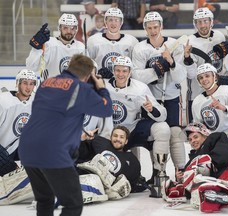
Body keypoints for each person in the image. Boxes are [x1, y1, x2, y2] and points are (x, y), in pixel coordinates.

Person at [18, 54, 113, 216]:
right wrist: (101, 87)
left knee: (45, 200)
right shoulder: (80, 88)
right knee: (73, 204)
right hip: (52, 151)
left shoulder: (46, 83)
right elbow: (106, 109)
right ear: (88, 75)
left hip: (27, 147)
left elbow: (51, 114)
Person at [132, 11, 187, 183]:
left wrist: (171, 63)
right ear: (145, 29)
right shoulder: (140, 48)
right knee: (156, 136)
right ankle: (158, 173)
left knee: (175, 134)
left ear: (161, 27)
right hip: (150, 99)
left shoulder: (173, 45)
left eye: (156, 27)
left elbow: (180, 76)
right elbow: (136, 77)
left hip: (171, 97)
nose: (153, 30)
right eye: (149, 28)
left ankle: (181, 174)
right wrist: (156, 70)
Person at [104, 55, 171, 189]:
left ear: (130, 72)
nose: (121, 74)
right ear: (113, 70)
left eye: (124, 71)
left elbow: (162, 114)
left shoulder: (139, 88)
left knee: (162, 128)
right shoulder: (104, 86)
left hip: (133, 129)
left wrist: (152, 109)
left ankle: (159, 173)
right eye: (117, 70)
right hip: (110, 132)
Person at [183, 7, 225, 124]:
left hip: (218, 92)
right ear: (195, 24)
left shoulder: (219, 37)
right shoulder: (190, 41)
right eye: (199, 22)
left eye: (205, 21)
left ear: (212, 22)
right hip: (197, 94)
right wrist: (187, 57)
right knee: (195, 130)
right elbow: (191, 74)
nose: (202, 25)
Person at [77, 125, 145, 193]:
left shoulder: (132, 162)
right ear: (111, 137)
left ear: (126, 141)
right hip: (84, 177)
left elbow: (130, 186)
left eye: (121, 137)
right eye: (115, 136)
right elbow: (79, 154)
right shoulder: (100, 142)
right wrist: (82, 139)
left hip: (102, 188)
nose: (118, 139)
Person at [26, 13, 85, 81]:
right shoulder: (48, 44)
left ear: (76, 29)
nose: (69, 31)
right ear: (59, 28)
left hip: (72, 90)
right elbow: (31, 68)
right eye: (65, 27)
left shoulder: (81, 47)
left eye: (72, 28)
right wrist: (36, 49)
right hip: (49, 90)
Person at [0, 69, 37, 176]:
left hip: (19, 147)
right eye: (25, 83)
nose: (28, 87)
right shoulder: (3, 102)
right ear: (17, 83)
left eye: (31, 84)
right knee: (11, 172)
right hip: (3, 149)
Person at [87, 7, 139, 80]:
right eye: (110, 20)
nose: (113, 23)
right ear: (105, 22)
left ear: (121, 22)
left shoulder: (131, 41)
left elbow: (135, 68)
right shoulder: (93, 40)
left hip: (123, 86)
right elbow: (88, 66)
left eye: (116, 20)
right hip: (101, 84)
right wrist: (96, 72)